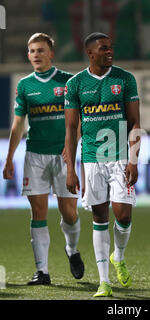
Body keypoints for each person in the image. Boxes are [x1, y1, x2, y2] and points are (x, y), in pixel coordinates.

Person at [2, 33, 84, 285]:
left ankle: (71, 249)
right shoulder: (25, 85)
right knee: (37, 212)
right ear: (28, 55)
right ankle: (43, 271)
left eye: (40, 50)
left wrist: (72, 148)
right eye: (32, 51)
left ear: (51, 54)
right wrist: (9, 157)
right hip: (35, 155)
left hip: (63, 156)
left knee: (68, 212)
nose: (36, 54)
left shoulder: (69, 82)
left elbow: (77, 120)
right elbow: (18, 125)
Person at [64, 32, 141, 297]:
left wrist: (134, 159)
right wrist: (71, 168)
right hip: (92, 160)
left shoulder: (125, 79)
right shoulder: (75, 84)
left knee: (124, 215)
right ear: (90, 53)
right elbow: (72, 128)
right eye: (104, 49)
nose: (110, 52)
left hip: (120, 157)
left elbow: (135, 124)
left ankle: (117, 255)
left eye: (111, 48)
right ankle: (104, 282)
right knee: (99, 218)